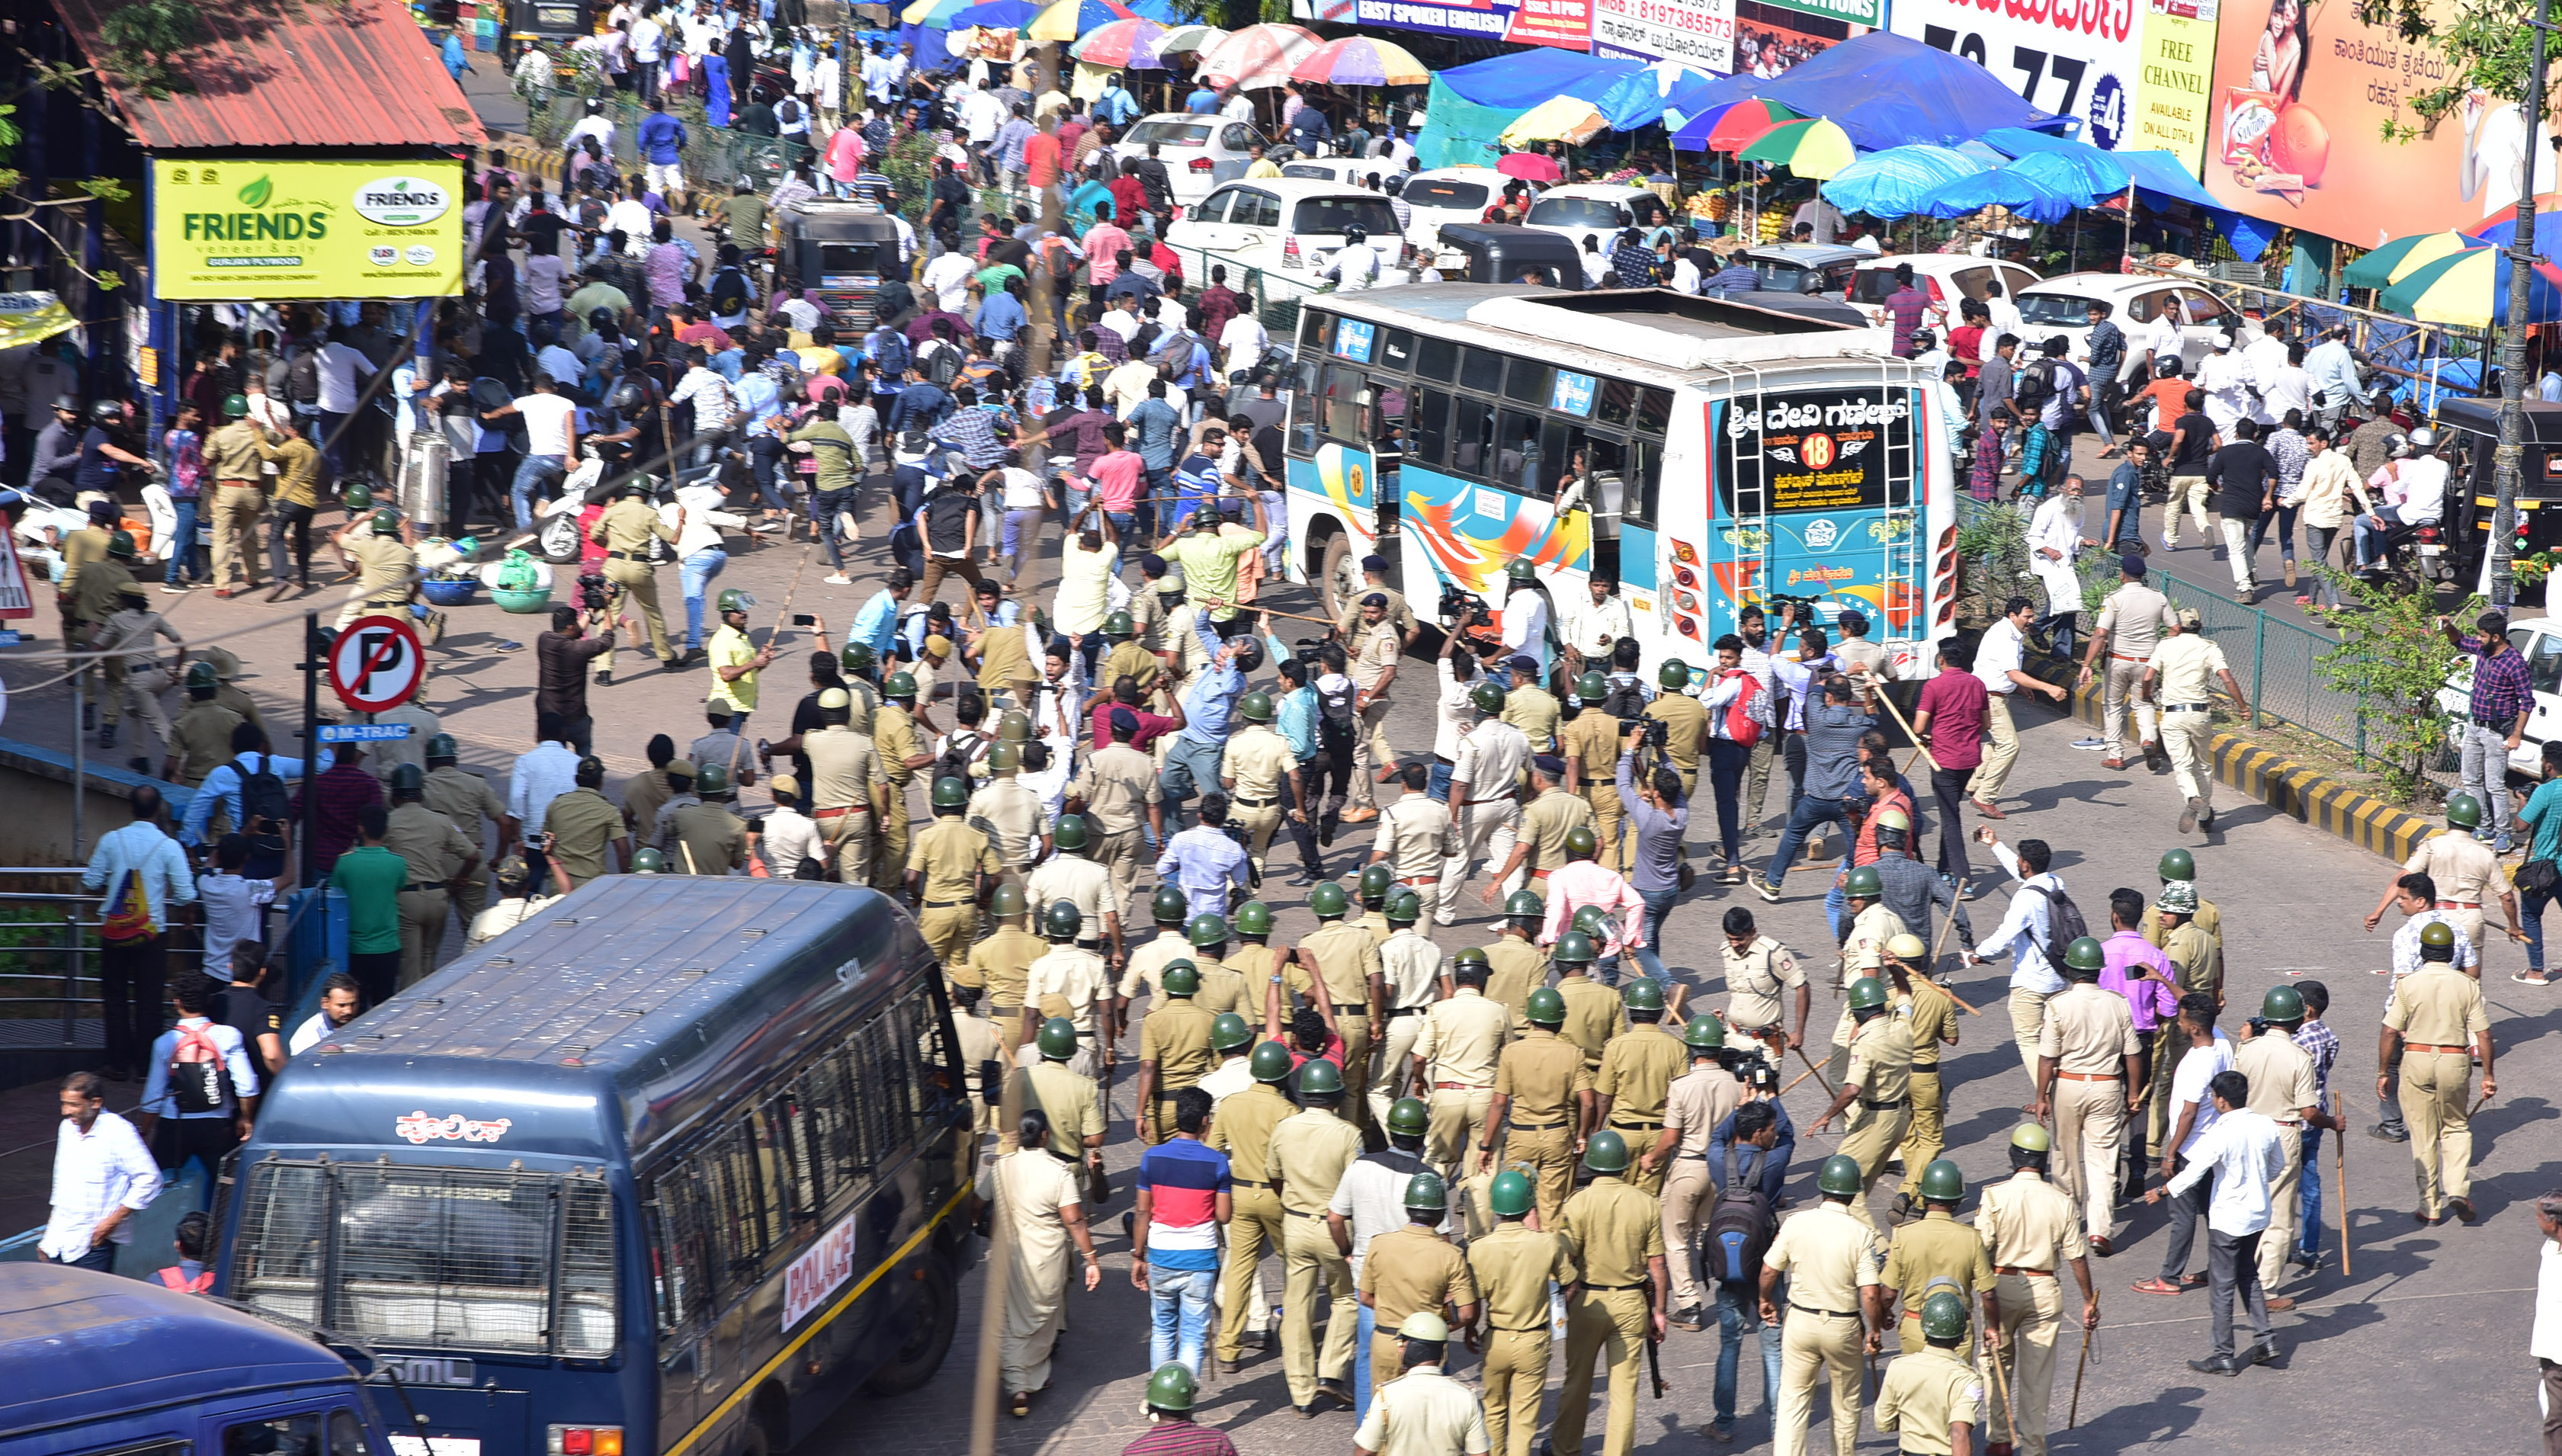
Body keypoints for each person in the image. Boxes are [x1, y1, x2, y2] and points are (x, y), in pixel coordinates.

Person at [2140, 1070, 2285, 1374]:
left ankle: (2223, 1354)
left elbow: (2193, 1173)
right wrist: (2257, 1182)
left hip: (2229, 1218)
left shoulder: (2220, 1132)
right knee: (2249, 1274)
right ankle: (2265, 1338)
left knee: (2222, 1286)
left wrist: (2162, 1190)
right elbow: (2278, 1166)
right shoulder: (2265, 1125)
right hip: (2258, 1215)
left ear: (2220, 1101)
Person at [1975, 1122, 2098, 1452]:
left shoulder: (1994, 1195)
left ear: (2013, 1157)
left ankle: (1999, 1439)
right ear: (2043, 1161)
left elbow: (1981, 1247)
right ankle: (2032, 1447)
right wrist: (2088, 1301)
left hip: (2000, 1287)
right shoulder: (2061, 1200)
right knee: (2037, 1377)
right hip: (2044, 1291)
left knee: (1995, 1363)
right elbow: (2077, 1258)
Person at [977, 1109, 1104, 1417]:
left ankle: (1023, 1380)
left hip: (1007, 1257)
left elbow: (977, 1203)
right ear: (1045, 1135)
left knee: (1010, 1321)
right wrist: (1091, 1259)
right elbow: (1074, 1220)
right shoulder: (1058, 1172)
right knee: (1041, 1320)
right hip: (1047, 1260)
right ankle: (1021, 1384)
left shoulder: (1002, 1167)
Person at [1547, 1130, 1666, 1456]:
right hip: (1631, 1303)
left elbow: (1563, 1254)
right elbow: (1657, 1264)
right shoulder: (1646, 1203)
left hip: (1588, 1301)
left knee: (1577, 1383)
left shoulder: (1578, 1202)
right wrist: (1659, 1311)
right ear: (1624, 1166)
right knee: (1625, 1391)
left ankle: (1564, 1449)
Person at [1763, 1154, 1884, 1456]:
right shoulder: (1860, 1233)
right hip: (1843, 1325)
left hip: (1801, 1320)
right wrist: (1875, 1329)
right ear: (1854, 1192)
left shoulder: (1797, 1222)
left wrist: (1765, 1299)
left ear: (1822, 1188)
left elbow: (1769, 1270)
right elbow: (1869, 1293)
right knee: (1845, 1403)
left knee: (1793, 1401)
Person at [2380, 921, 2495, 1224]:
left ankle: (2429, 1206)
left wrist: (2382, 1071)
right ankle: (2457, 1188)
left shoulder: (2408, 984)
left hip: (2417, 1058)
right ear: (2450, 952)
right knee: (2455, 1127)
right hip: (2454, 1060)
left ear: (2423, 951)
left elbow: (2390, 1031)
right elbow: (2483, 1035)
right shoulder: (2467, 985)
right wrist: (2488, 1075)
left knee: (2423, 1135)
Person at [2033, 937, 2142, 1255]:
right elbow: (2132, 1053)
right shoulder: (2118, 1003)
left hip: (2068, 1085)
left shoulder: (2058, 1005)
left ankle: (2065, 1225)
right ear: (2099, 971)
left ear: (2070, 970)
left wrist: (2041, 1096)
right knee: (2103, 1160)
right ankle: (2100, 1231)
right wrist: (2133, 1092)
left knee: (2065, 1157)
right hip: (2108, 1086)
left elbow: (2047, 1058)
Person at [1273, 1057, 1367, 1415]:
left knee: (1297, 1307)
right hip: (1335, 1226)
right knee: (1346, 1298)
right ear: (1336, 1095)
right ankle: (1330, 1371)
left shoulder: (1284, 1128)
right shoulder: (1347, 1134)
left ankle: (1301, 1393)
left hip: (1295, 1224)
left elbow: (1275, 1175)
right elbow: (1355, 1186)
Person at [1132, 1086, 1230, 1381]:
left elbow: (1141, 1212)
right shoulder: (1217, 1162)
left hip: (1161, 1255)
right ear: (1204, 1121)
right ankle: (1184, 1400)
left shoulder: (1152, 1158)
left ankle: (1159, 1397)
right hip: (1200, 1260)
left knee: (1162, 1328)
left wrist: (1138, 1255)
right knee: (1192, 1333)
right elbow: (1224, 1215)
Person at [1964, 831, 2070, 1084]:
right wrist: (1995, 844)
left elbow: (2004, 936)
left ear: (2026, 864)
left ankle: (2047, 1092)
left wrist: (1977, 953)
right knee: (2055, 1037)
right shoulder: (2056, 883)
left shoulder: (2025, 898)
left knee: (2028, 1040)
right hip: (2059, 977)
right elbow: (2024, 876)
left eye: (2021, 860)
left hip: (2032, 983)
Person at [135, 976, 260, 1188]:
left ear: (177, 1003)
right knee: (229, 1189)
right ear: (209, 1001)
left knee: (155, 1187)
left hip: (174, 1126)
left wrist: (145, 1130)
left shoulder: (164, 1043)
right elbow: (247, 1085)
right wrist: (246, 1118)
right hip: (218, 1125)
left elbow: (154, 1096)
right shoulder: (229, 1036)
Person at [2142, 607, 2252, 836]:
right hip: (2199, 714)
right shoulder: (2209, 648)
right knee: (2202, 765)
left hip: (2173, 714)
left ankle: (2192, 797)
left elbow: (2148, 676)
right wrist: (2243, 707)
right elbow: (2227, 678)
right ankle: (2205, 815)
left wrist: (2147, 696)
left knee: (2182, 765)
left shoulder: (2165, 645)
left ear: (2179, 626)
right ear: (2200, 626)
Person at [40, 1071, 162, 1270]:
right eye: (64, 1104)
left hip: (96, 1241)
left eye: (74, 1105)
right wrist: (49, 1235)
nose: (66, 1111)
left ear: (95, 1102)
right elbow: (63, 1184)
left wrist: (111, 1222)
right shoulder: (67, 1129)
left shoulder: (118, 1131)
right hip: (60, 1238)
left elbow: (150, 1178)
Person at [2077, 555, 2176, 773]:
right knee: (2144, 703)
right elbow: (2175, 628)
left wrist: (2086, 665)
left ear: (2122, 575)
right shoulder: (2158, 598)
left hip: (2119, 661)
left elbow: (2101, 634)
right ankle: (2148, 741)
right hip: (2148, 663)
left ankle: (2116, 756)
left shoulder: (2114, 599)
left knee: (2112, 705)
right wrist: (2162, 651)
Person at [2448, 609, 2533, 855]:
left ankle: (2503, 832)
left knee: (2495, 784)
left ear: (2496, 637)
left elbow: (2526, 702)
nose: (2479, 640)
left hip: (2497, 733)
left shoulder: (2515, 663)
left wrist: (2516, 735)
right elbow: (2458, 641)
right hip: (2476, 726)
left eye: (2483, 636)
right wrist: (2448, 625)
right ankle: (2485, 826)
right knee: (2471, 778)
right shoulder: (2483, 651)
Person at [330, 804, 409, 1007]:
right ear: (387, 829)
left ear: (361, 828)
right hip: (388, 945)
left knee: (356, 1003)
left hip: (356, 946)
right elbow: (396, 892)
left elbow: (336, 898)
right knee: (384, 1001)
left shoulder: (345, 862)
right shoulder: (397, 863)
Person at [288, 973, 361, 1054]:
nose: (349, 1011)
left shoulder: (360, 1025)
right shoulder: (307, 1037)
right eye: (341, 1005)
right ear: (325, 1003)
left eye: (353, 1004)